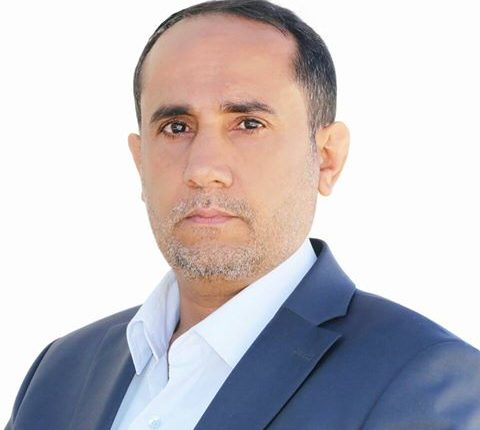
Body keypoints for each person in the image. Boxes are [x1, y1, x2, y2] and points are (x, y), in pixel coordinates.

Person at [6, 0, 480, 429]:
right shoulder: (60, 372)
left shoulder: (420, 379)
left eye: (249, 124)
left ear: (327, 158)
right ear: (140, 161)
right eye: (176, 127)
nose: (204, 169)